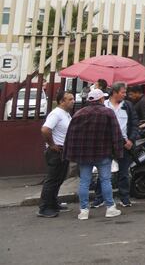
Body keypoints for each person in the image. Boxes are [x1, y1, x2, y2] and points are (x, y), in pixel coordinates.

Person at [64, 89, 124, 220]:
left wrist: (70, 154)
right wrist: (118, 153)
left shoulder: (79, 114)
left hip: (84, 154)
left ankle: (84, 210)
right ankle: (110, 207)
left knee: (84, 182)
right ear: (101, 99)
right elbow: (116, 134)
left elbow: (71, 135)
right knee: (105, 180)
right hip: (103, 153)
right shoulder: (108, 113)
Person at [90, 82, 138, 208]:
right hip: (106, 145)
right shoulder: (104, 105)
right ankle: (99, 197)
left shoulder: (127, 106)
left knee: (124, 173)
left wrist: (131, 140)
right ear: (115, 92)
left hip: (125, 144)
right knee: (103, 173)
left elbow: (134, 124)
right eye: (123, 92)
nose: (125, 94)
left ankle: (124, 197)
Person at [37, 90, 75, 218]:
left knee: (59, 178)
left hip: (64, 151)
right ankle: (44, 207)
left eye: (73, 99)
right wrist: (52, 145)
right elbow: (45, 130)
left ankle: (53, 203)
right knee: (52, 179)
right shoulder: (56, 114)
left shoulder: (66, 114)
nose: (73, 101)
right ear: (61, 101)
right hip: (56, 152)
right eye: (69, 99)